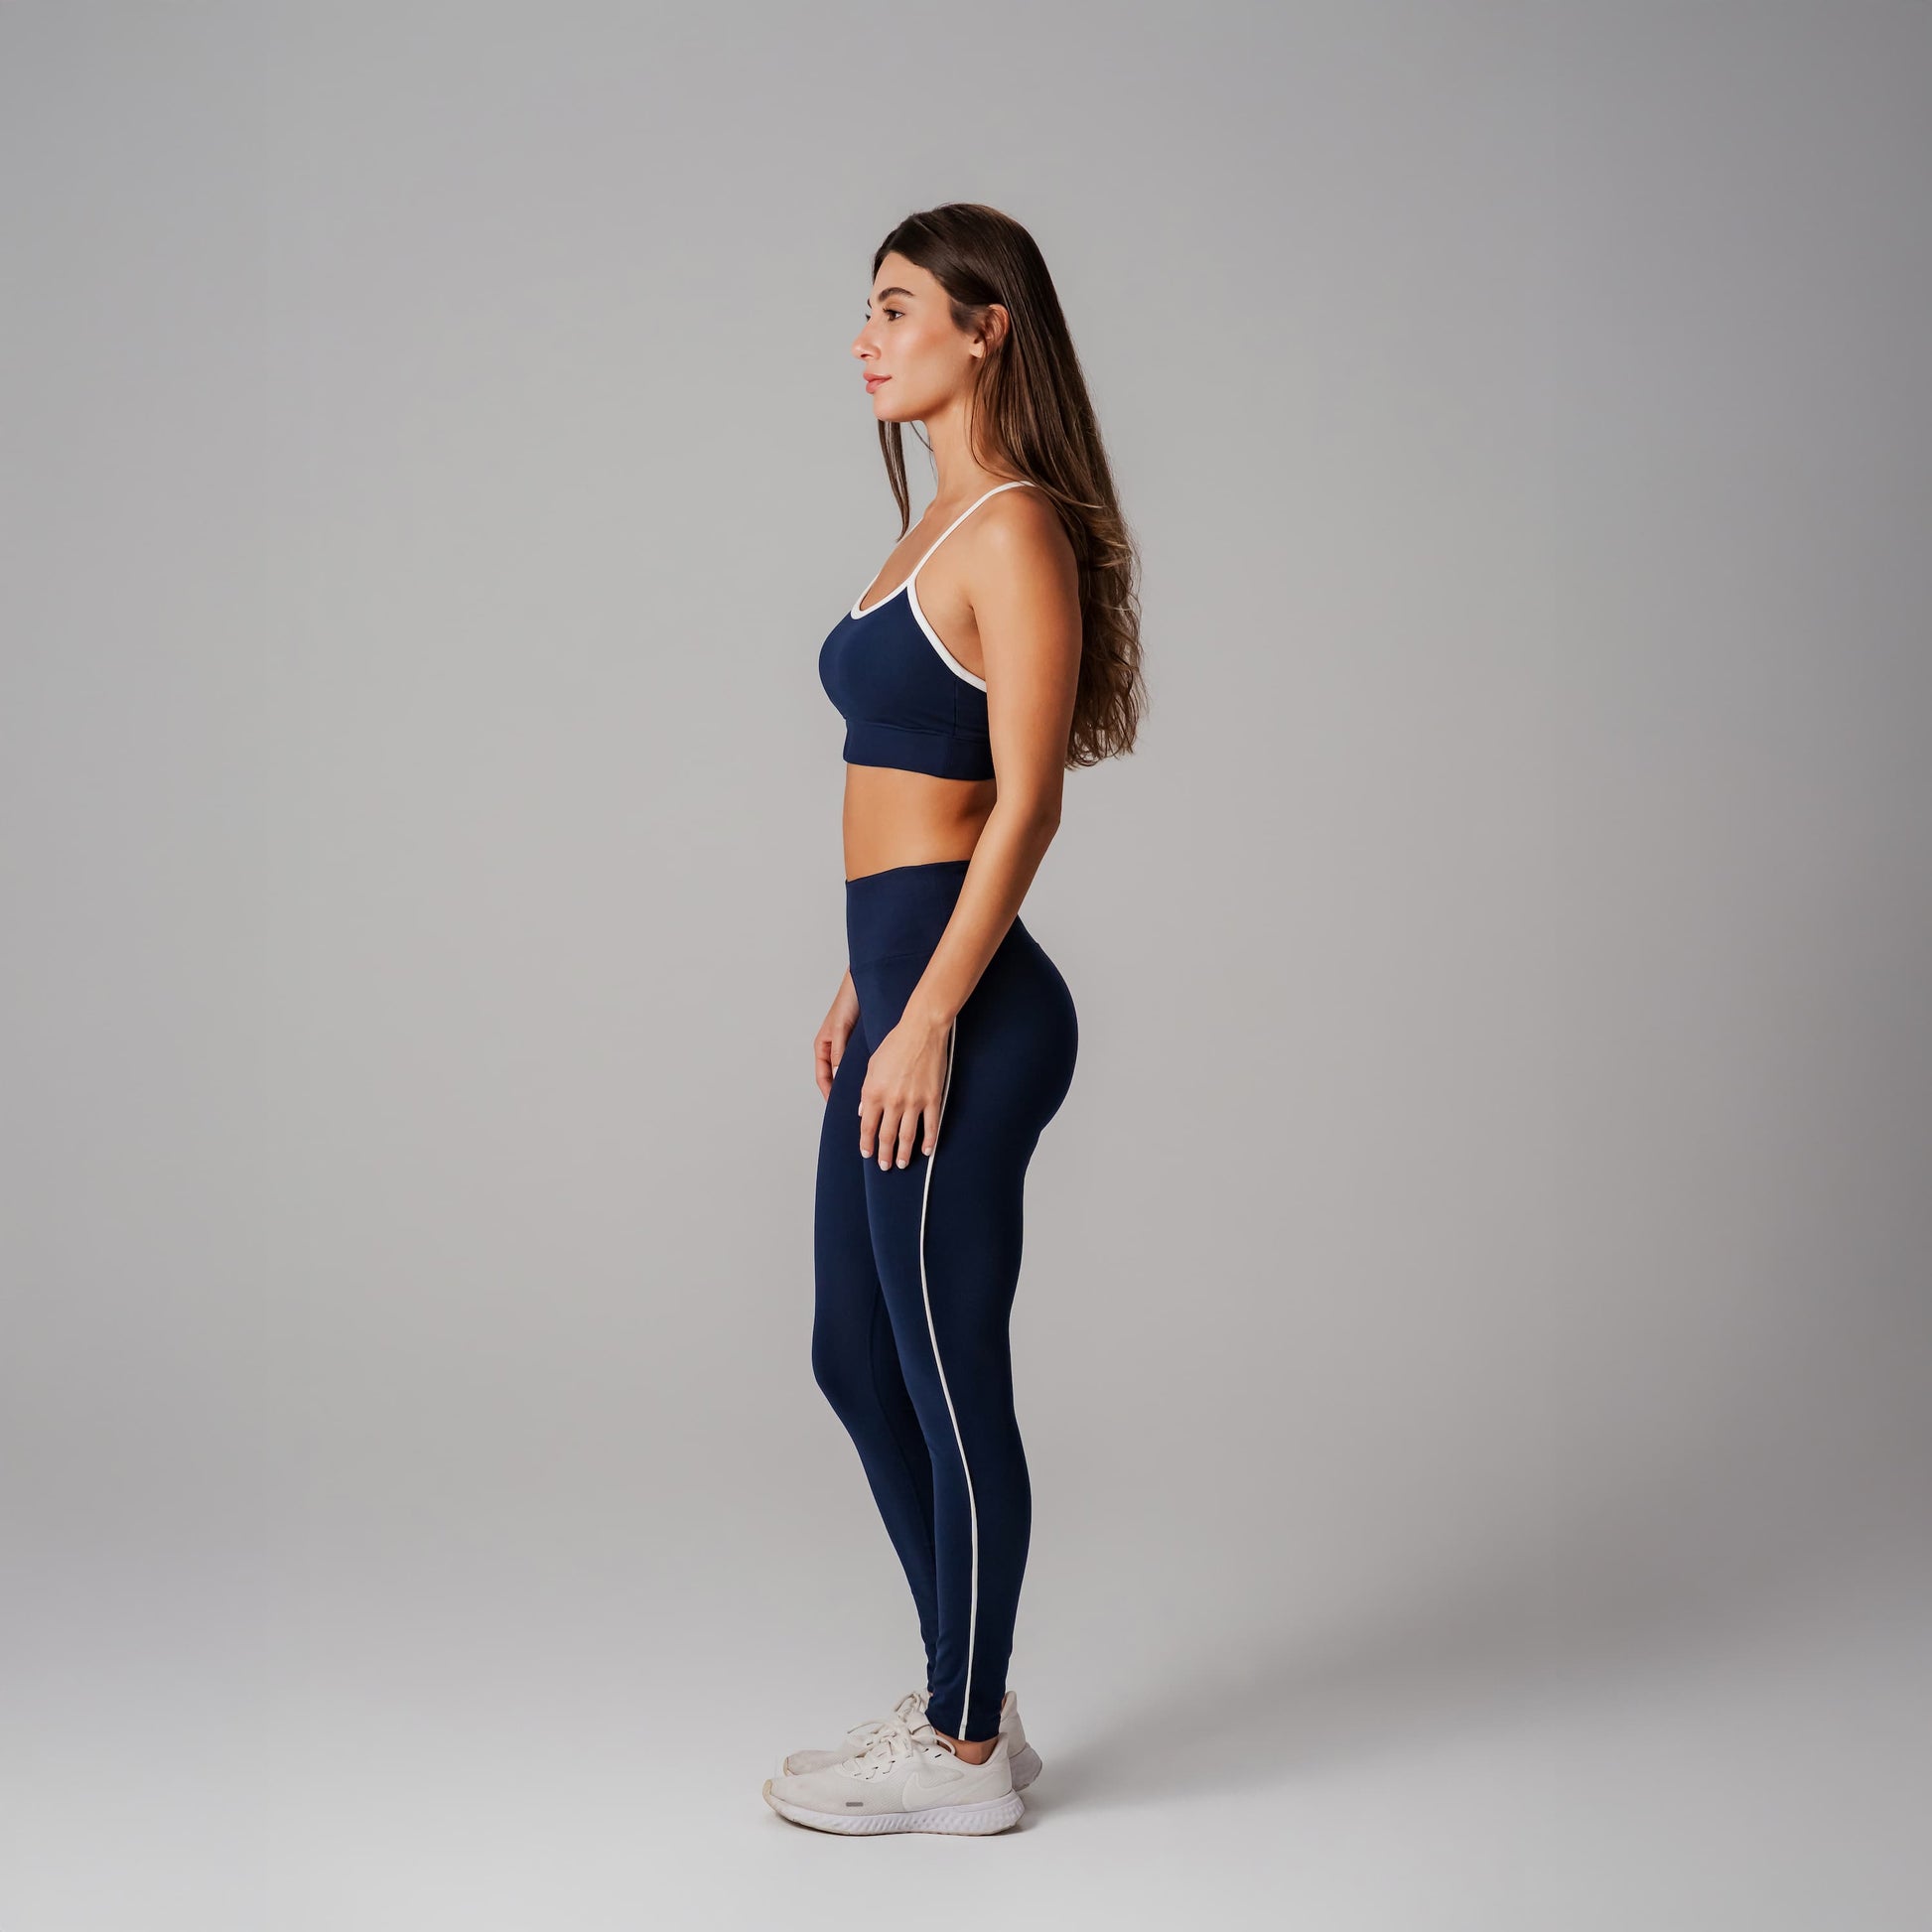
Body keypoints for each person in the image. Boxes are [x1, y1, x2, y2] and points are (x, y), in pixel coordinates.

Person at [760, 203, 1145, 1837]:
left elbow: (1027, 804)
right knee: (857, 1355)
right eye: (866, 310)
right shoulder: (931, 522)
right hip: (905, 979)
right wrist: (867, 973)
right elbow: (912, 789)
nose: (865, 335)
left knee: (941, 1362)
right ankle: (960, 1692)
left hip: (973, 1011)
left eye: (896, 306)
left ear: (986, 328)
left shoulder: (1013, 530)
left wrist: (925, 1014)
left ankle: (968, 1749)